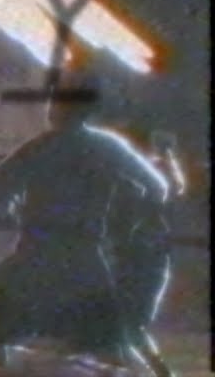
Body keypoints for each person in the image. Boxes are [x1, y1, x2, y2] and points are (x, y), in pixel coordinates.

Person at [0, 78, 169, 371]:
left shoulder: (40, 148)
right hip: (86, 260)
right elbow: (157, 187)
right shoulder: (109, 148)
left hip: (37, 257)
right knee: (107, 344)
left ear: (62, 109)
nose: (50, 109)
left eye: (54, 104)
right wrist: (133, 217)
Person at [106, 128, 184, 377]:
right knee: (125, 326)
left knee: (130, 326)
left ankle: (158, 372)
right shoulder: (132, 178)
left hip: (143, 258)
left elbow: (173, 187)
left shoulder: (141, 178)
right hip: (133, 258)